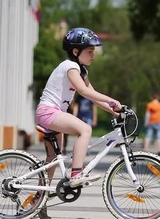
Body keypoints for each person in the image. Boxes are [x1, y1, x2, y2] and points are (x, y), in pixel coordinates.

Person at [34, 27, 121, 219]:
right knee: (85, 129)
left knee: (52, 161)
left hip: (52, 113)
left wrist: (112, 109)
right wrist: (112, 100)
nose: (93, 56)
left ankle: (38, 203)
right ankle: (76, 175)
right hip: (50, 112)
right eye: (90, 52)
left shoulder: (80, 70)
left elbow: (94, 98)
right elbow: (84, 92)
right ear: (76, 51)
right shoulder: (70, 67)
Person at [143, 93, 160, 158]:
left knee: (148, 136)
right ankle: (159, 150)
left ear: (152, 98)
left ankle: (145, 150)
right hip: (159, 122)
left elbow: (147, 115)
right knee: (158, 137)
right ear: (158, 98)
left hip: (151, 122)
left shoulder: (149, 105)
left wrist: (146, 123)